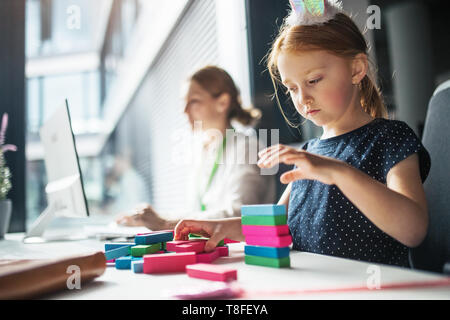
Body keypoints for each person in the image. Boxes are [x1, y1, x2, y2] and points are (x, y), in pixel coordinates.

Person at [173, 0, 431, 268]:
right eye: (292, 88)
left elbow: (413, 229)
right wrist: (219, 228)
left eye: (313, 80)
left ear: (356, 69)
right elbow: (277, 223)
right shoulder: (309, 153)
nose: (303, 98)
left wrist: (338, 172)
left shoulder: (390, 138)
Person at [116, 66, 276, 230]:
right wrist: (148, 219)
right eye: (184, 103)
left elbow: (239, 214)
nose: (184, 111)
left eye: (193, 101)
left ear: (222, 103)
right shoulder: (204, 151)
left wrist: (165, 223)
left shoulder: (248, 148)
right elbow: (198, 211)